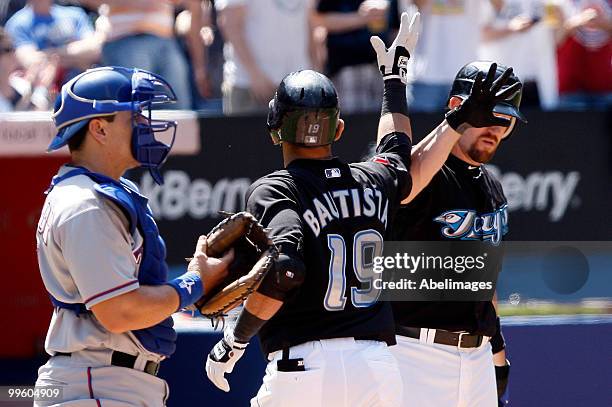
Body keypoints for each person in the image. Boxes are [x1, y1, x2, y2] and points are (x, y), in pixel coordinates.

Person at [203, 12, 520, 406]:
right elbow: (399, 153)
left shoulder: (277, 189)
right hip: (382, 364)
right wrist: (396, 82)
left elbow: (286, 269)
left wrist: (234, 339)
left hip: (308, 364)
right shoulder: (369, 181)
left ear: (273, 129)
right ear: (338, 130)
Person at [34, 66, 233, 406]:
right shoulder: (86, 204)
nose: (145, 124)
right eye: (134, 116)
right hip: (95, 384)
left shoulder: (105, 193)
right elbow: (119, 312)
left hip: (109, 382)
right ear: (99, 128)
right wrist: (194, 283)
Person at [389, 60, 527, 407]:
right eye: (488, 115)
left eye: (506, 120)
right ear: (456, 108)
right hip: (413, 352)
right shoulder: (425, 172)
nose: (497, 128)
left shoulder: (492, 186)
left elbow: (487, 285)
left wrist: (497, 356)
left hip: (477, 357)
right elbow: (401, 181)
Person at [215, 0, 314, 115]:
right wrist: (254, 74)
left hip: (298, 88)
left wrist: (314, 71)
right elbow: (230, 23)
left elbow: (309, 21)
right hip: (250, 87)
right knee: (246, 133)